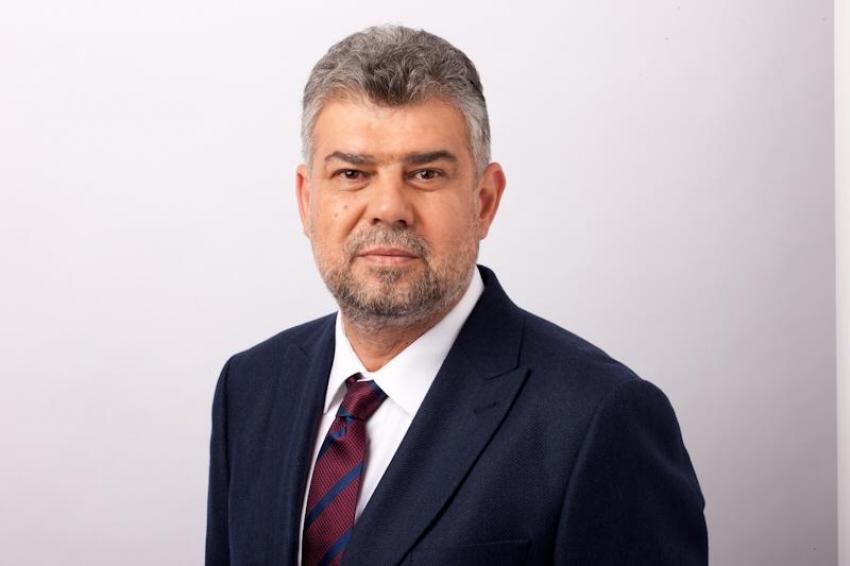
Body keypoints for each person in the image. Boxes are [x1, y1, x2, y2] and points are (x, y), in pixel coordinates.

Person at [205, 24, 707, 566]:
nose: (389, 208)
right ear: (307, 201)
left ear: (484, 201)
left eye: (425, 173)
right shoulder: (250, 387)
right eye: (352, 173)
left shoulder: (598, 419)